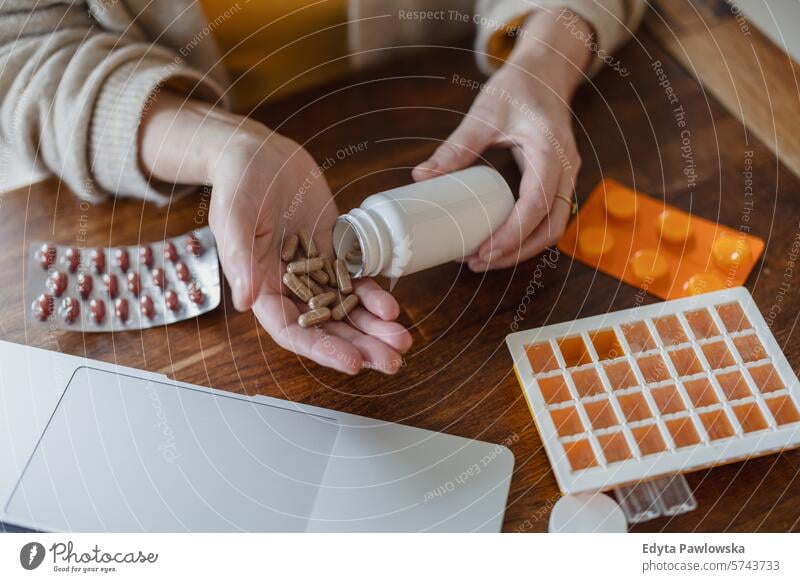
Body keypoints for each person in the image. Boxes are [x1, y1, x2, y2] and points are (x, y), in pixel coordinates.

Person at [0, 0, 644, 374]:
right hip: (155, 167)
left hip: (437, 98)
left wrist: (544, 55)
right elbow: (22, 47)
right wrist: (221, 146)